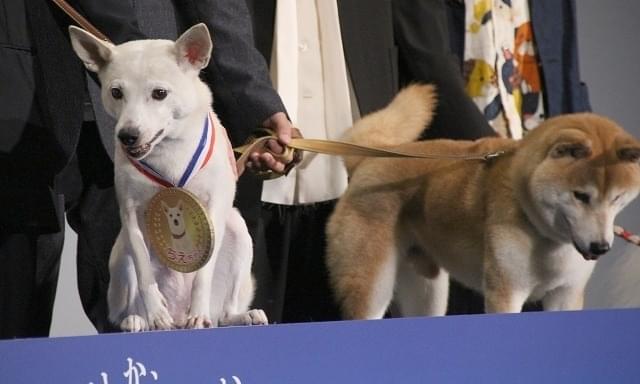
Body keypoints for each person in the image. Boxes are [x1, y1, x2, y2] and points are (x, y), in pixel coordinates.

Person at [0, 0, 293, 338]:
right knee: (14, 326)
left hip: (160, 126)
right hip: (18, 94)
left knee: (154, 331)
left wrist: (254, 103)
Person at [245, 0, 496, 323]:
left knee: (361, 366)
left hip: (364, 201)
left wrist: (508, 159)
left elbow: (427, 58)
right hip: (244, 197)